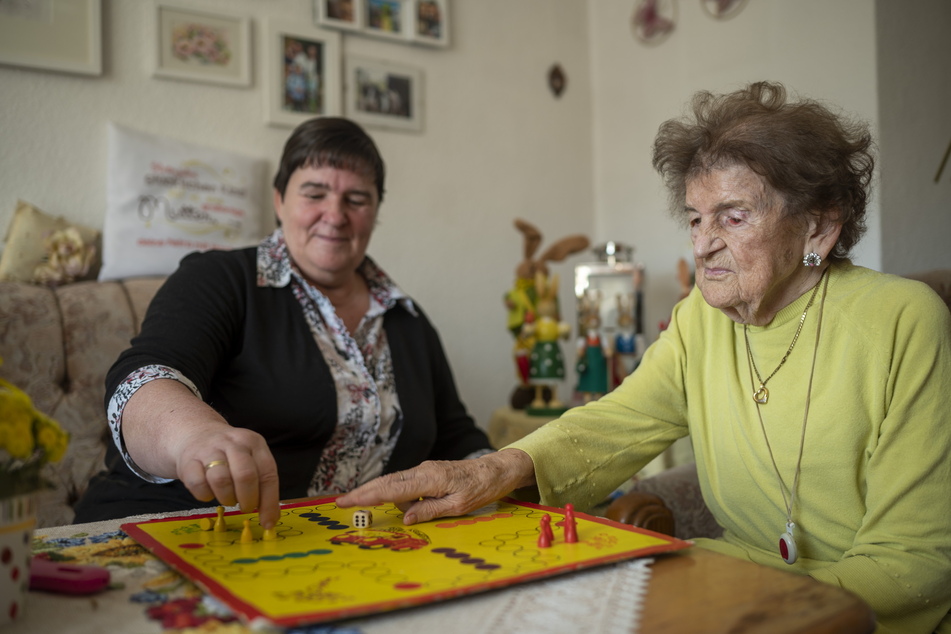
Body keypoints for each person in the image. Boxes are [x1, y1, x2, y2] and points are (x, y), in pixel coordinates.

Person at [339, 82, 951, 633]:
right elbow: (615, 422)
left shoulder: (903, 319)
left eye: (734, 217)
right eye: (694, 218)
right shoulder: (701, 319)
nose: (705, 242)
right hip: (733, 595)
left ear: (818, 228)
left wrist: (714, 578)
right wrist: (493, 468)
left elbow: (912, 564)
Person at [74, 117, 492, 529]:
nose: (335, 214)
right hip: (173, 530)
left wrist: (496, 472)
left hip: (341, 557)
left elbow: (456, 436)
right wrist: (192, 435)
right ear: (278, 201)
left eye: (357, 199)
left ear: (376, 211)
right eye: (314, 193)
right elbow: (145, 376)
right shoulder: (220, 278)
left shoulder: (406, 319)